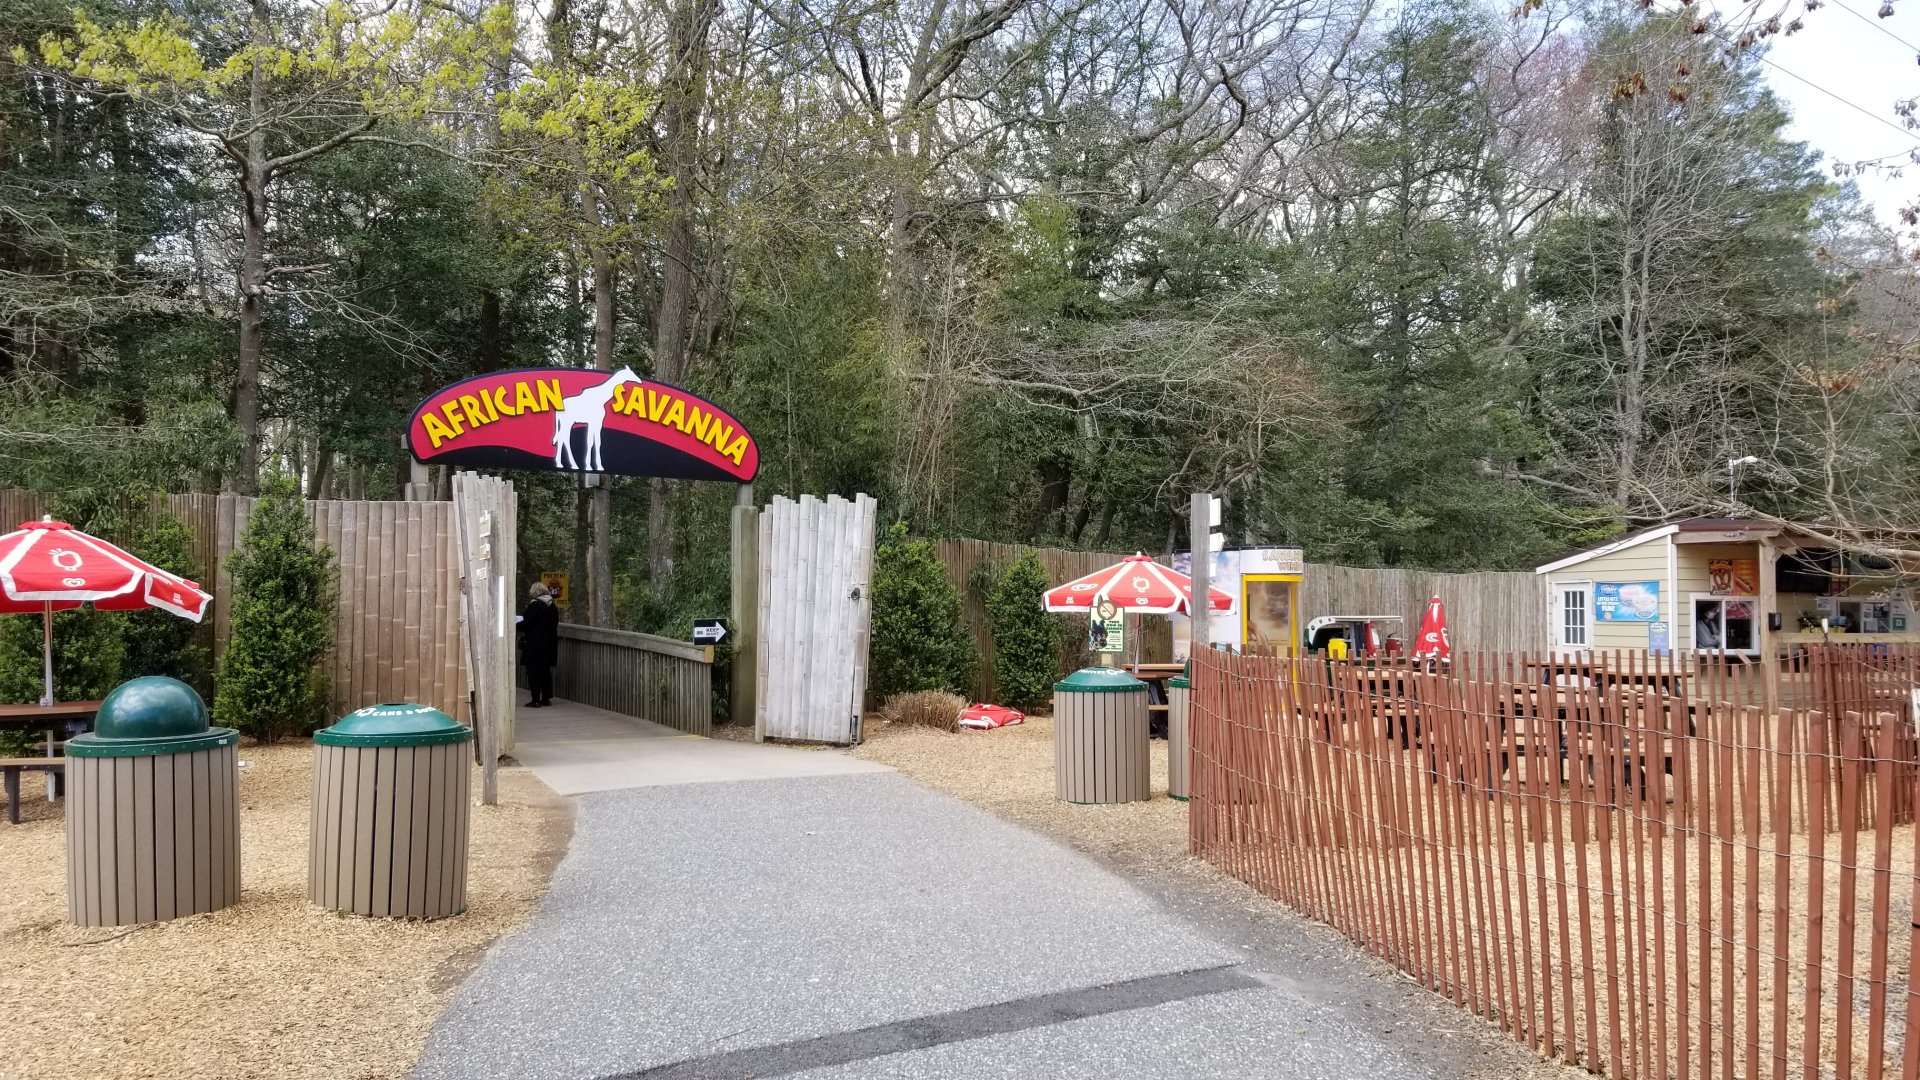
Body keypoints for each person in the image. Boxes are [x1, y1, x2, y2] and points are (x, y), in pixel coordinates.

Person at [520, 582, 560, 707]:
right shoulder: (552, 606)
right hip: (549, 644)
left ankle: (536, 699)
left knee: (533, 671)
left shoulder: (535, 606)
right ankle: (546, 698)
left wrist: (515, 624)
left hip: (535, 644)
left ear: (534, 592)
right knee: (545, 671)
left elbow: (527, 623)